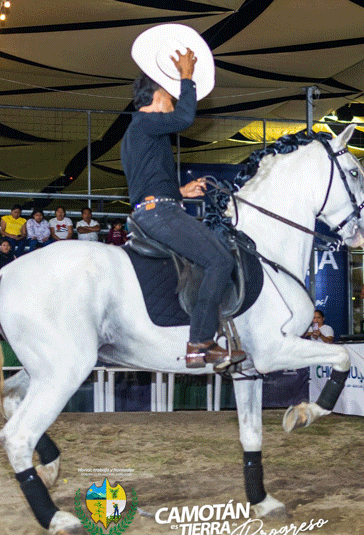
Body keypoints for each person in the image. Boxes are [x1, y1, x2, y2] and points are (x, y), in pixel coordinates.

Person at [122, 46, 241, 369]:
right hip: (160, 213)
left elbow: (145, 184)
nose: (174, 101)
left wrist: (180, 192)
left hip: (153, 208)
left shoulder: (136, 133)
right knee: (220, 259)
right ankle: (200, 342)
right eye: (171, 96)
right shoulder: (146, 123)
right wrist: (187, 76)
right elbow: (186, 117)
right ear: (158, 96)